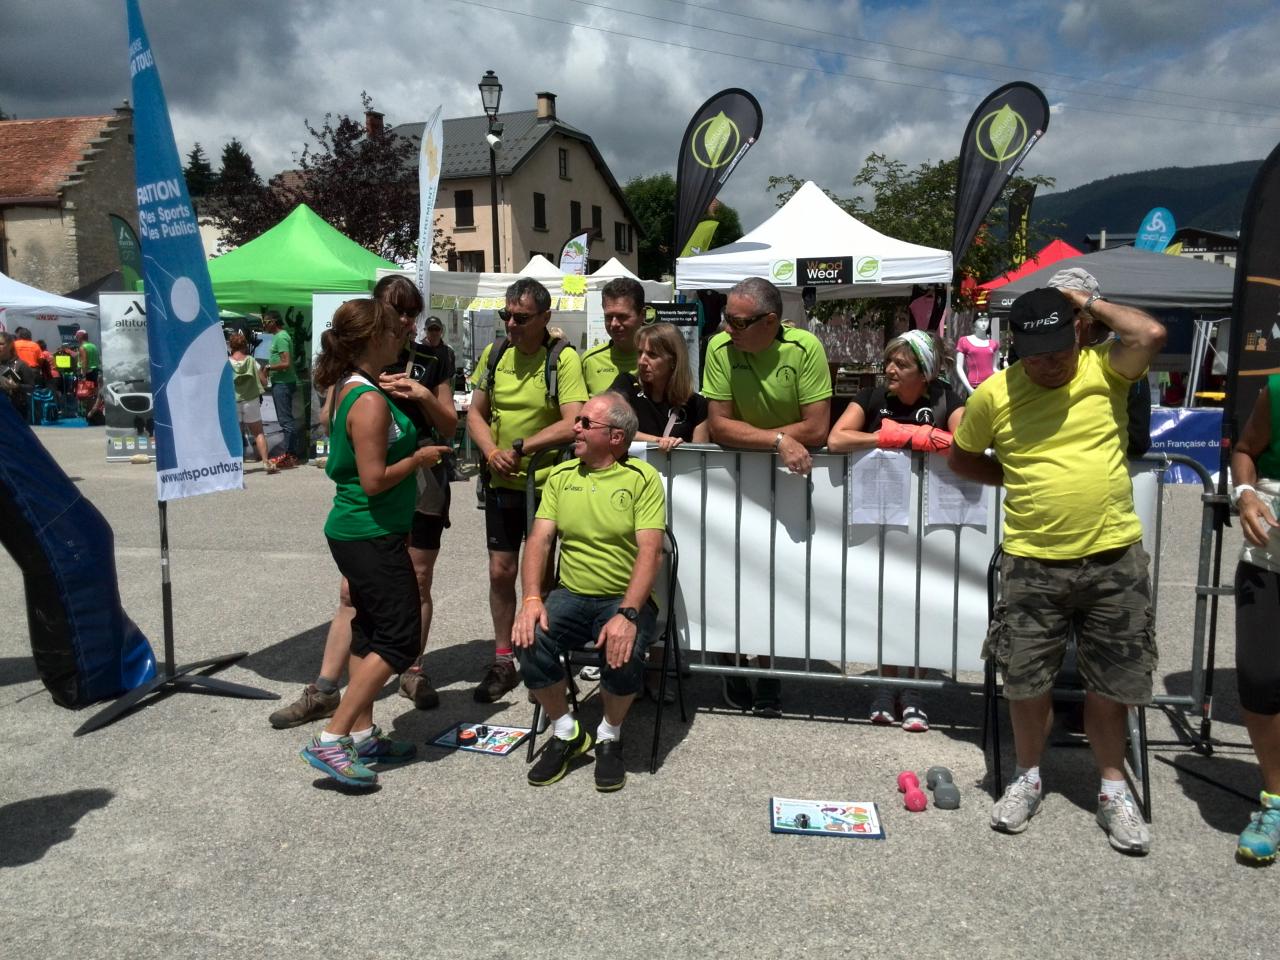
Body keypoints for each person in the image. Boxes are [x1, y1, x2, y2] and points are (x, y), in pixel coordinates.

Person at [948, 284, 1166, 855]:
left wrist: (1086, 301)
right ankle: (1026, 776)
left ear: (1076, 334)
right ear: (1015, 344)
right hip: (1033, 560)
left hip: (1113, 556)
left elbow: (1149, 334)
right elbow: (961, 456)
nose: (1051, 362)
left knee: (1112, 683)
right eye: (1037, 351)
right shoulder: (994, 395)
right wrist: (1011, 477)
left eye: (1059, 348)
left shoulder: (1104, 369)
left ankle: (1113, 788)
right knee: (1025, 679)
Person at [269, 277, 456, 727]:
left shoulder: (431, 358)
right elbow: (346, 443)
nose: (406, 323)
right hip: (376, 506)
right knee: (374, 614)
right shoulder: (361, 384)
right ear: (378, 321)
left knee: (410, 590)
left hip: (406, 496)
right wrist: (377, 404)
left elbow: (449, 426)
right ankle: (334, 712)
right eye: (397, 314)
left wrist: (423, 396)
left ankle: (372, 715)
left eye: (411, 313)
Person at [297, 297, 443, 788]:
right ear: (372, 339)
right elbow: (375, 479)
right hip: (369, 530)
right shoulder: (369, 400)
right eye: (394, 329)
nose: (403, 333)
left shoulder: (349, 388)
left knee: (370, 630)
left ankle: (361, 735)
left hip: (361, 529)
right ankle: (333, 738)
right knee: (400, 636)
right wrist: (420, 458)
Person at [513, 393, 665, 791]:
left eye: (585, 423)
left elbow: (651, 551)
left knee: (625, 649)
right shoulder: (562, 477)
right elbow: (539, 541)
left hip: (623, 597)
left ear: (616, 437)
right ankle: (567, 732)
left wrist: (628, 614)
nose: (574, 428)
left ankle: (609, 736)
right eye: (577, 421)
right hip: (572, 593)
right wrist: (530, 599)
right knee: (528, 637)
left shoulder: (642, 479)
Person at [702, 276, 832, 717]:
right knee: (729, 572)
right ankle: (733, 663)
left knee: (777, 579)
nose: (728, 328)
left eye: (738, 322)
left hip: (790, 481)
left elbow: (817, 429)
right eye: (727, 319)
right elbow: (719, 426)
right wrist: (777, 440)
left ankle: (769, 668)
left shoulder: (805, 348)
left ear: (772, 321)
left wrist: (755, 438)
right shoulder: (719, 348)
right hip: (737, 478)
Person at [828, 329, 964, 732]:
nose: (889, 369)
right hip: (879, 517)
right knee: (886, 600)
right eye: (889, 361)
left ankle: (916, 691)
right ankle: (887, 686)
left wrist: (932, 438)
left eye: (900, 364)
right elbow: (836, 439)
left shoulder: (945, 398)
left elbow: (969, 442)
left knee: (923, 602)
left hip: (930, 524)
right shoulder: (872, 397)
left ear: (924, 372)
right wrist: (892, 435)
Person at [467, 277, 587, 704]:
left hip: (547, 484)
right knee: (501, 572)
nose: (511, 325)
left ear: (544, 318)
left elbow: (574, 420)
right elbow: (475, 415)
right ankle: (503, 659)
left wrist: (520, 448)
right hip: (501, 481)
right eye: (506, 315)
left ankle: (543, 660)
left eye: (521, 318)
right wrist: (491, 450)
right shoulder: (494, 353)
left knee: (543, 577)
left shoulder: (563, 359)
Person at [1229, 376, 1280, 863]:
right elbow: (1245, 449)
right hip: (1269, 563)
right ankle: (1275, 801)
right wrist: (1245, 493)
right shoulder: (1278, 390)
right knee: (1261, 679)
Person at [610, 322, 710, 452]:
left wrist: (683, 449)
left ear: (673, 360)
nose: (642, 361)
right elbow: (608, 425)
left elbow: (700, 457)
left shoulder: (696, 404)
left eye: (652, 355)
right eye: (640, 353)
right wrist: (658, 442)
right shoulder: (626, 385)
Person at [581, 277, 644, 396]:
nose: (614, 324)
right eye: (609, 317)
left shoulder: (660, 360)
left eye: (622, 316)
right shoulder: (589, 361)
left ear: (642, 315)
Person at [227, 332, 275, 475]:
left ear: (231, 346)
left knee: (236, 434)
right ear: (244, 345)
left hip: (233, 401)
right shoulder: (252, 361)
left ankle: (236, 466)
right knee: (258, 433)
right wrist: (265, 372)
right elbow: (264, 382)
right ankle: (266, 462)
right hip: (251, 400)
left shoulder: (226, 362)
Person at [262, 310, 300, 469]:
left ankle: (290, 455)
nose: (264, 324)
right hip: (281, 383)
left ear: (274, 322)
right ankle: (290, 454)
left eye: (266, 321)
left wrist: (269, 367)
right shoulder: (279, 337)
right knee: (285, 420)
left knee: (285, 421)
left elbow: (286, 363)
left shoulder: (282, 337)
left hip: (283, 383)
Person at [954, 316, 999, 395]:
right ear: (974, 323)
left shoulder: (994, 344)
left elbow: (994, 368)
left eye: (986, 320)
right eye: (980, 320)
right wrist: (969, 388)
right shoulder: (964, 341)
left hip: (991, 385)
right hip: (974, 386)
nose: (983, 323)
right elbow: (959, 366)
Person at [0, 331, 36, 422]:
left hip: (15, 409)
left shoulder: (21, 365)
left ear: (10, 345)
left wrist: (17, 386)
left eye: (1, 344)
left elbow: (31, 387)